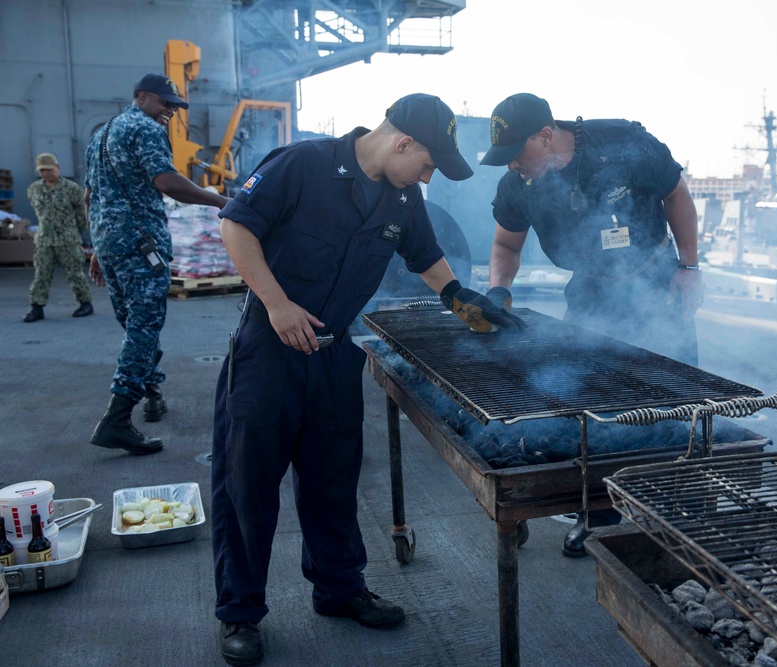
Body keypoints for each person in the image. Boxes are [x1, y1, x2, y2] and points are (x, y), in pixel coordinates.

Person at [211, 93, 522, 666]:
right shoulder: (302, 164)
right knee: (247, 486)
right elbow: (237, 227)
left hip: (334, 352)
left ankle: (339, 590)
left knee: (333, 478)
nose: (428, 176)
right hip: (270, 349)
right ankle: (239, 614)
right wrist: (277, 303)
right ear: (403, 142)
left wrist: (461, 300)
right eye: (428, 163)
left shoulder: (404, 196)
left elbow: (424, 256)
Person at [479, 93, 703, 557]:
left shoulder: (625, 143)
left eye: (518, 155)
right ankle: (599, 516)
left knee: (679, 397)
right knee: (594, 408)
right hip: (591, 291)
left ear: (545, 136)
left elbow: (676, 194)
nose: (515, 167)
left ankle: (685, 514)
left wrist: (689, 267)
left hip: (657, 281)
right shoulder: (517, 184)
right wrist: (498, 291)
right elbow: (505, 247)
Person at [85, 73, 229, 455]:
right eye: (164, 103)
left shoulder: (101, 134)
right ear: (141, 97)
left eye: (174, 106)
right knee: (143, 329)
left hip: (112, 244)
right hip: (140, 245)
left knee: (134, 325)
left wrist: (98, 248)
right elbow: (167, 182)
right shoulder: (144, 129)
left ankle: (152, 393)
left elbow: (91, 195)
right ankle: (117, 418)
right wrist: (219, 201)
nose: (169, 111)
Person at [23, 153, 94, 323]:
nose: (46, 173)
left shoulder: (72, 189)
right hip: (44, 240)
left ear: (58, 168)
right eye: (43, 170)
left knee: (75, 274)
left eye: (49, 169)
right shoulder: (34, 189)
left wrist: (77, 231)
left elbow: (81, 214)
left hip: (68, 239)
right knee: (41, 274)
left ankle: (85, 303)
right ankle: (37, 307)